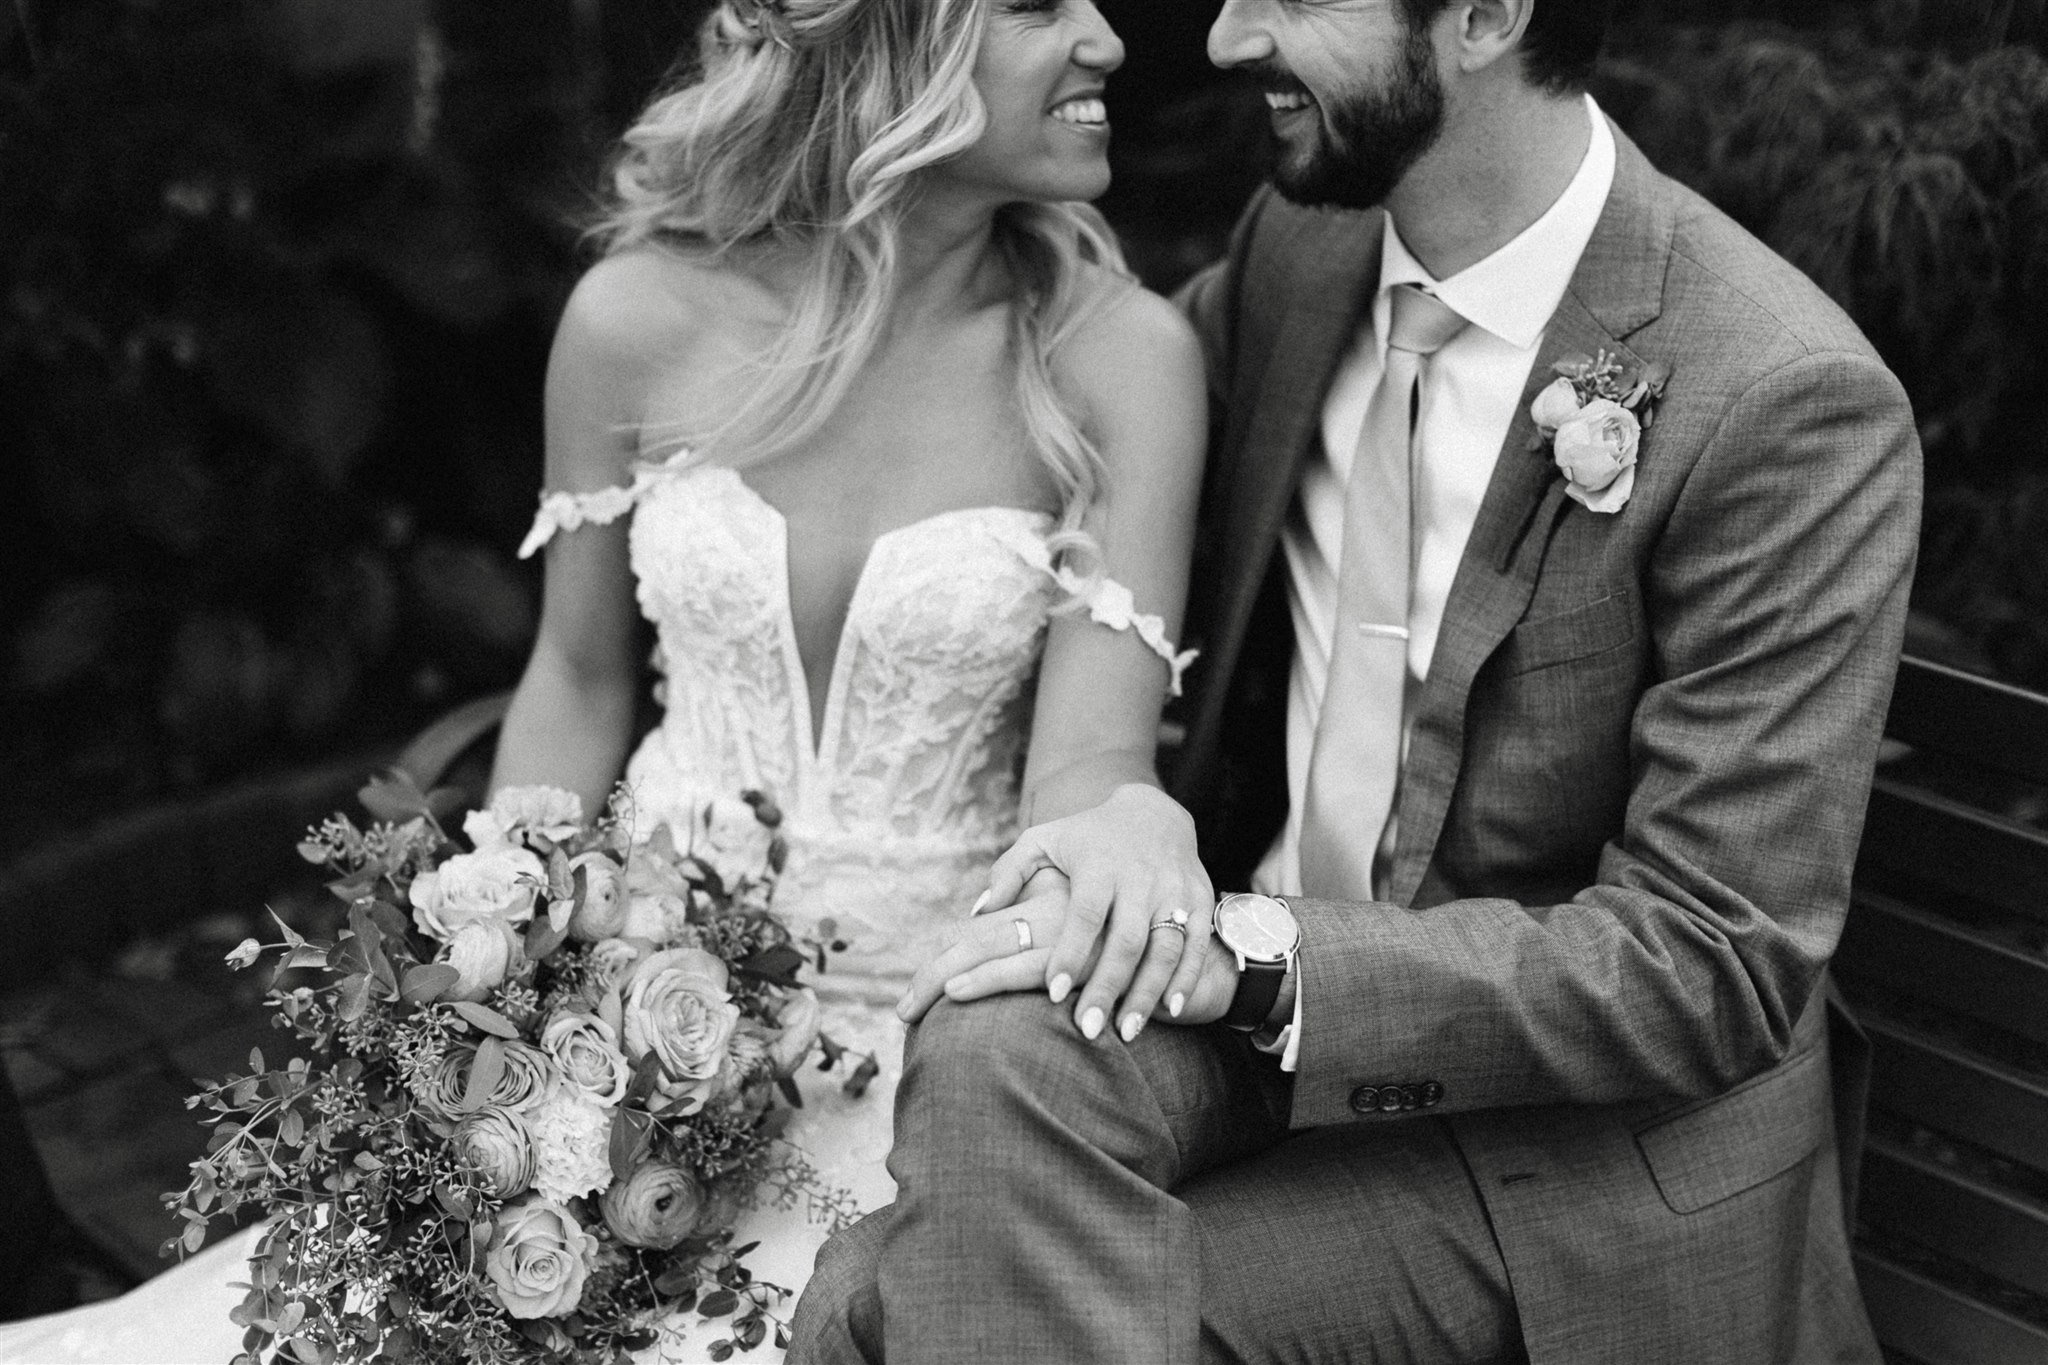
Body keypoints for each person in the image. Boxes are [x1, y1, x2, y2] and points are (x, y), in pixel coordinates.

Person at [0, 1, 1211, 1360]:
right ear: (882, 42)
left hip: (923, 1058)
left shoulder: (1122, 361)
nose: (1112, 38)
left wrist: (1128, 827)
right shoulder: (634, 318)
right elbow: (577, 677)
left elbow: (1087, 771)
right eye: (1044, 6)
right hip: (611, 1007)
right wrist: (495, 962)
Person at [791, 0, 1921, 1362]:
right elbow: (1059, 415)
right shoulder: (1307, 248)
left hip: (1573, 1155)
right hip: (1268, 1042)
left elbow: (1710, 963)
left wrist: (1254, 957)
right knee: (997, 1043)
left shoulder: (1782, 397)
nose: (1219, 39)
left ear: (1489, 17)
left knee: (876, 1308)